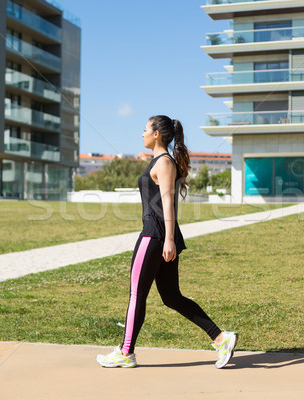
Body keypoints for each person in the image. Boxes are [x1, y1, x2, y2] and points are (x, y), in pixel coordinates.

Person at [96, 115, 237, 369]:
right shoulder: (162, 162)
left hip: (154, 236)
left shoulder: (163, 162)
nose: (142, 134)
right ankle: (221, 338)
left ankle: (126, 352)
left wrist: (169, 239)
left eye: (145, 129)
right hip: (161, 236)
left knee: (136, 294)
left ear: (157, 134)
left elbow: (169, 204)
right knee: (171, 297)